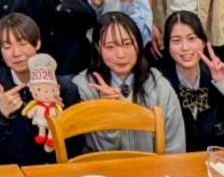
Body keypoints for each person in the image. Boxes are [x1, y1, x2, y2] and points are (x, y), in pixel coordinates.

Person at [72, 12, 185, 154]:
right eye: (110, 47)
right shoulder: (84, 87)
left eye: (127, 44)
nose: (121, 54)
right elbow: (101, 152)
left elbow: (175, 149)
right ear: (97, 47)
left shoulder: (158, 85)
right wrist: (107, 112)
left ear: (138, 43)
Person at [0, 13, 80, 166]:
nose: (16, 53)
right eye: (7, 47)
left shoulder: (64, 88)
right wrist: (2, 116)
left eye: (22, 43)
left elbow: (74, 148)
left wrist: (60, 122)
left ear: (37, 44)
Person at [161, 10, 224, 151]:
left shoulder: (218, 77)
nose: (185, 47)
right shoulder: (160, 83)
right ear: (168, 46)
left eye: (191, 38)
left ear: (203, 43)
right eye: (176, 41)